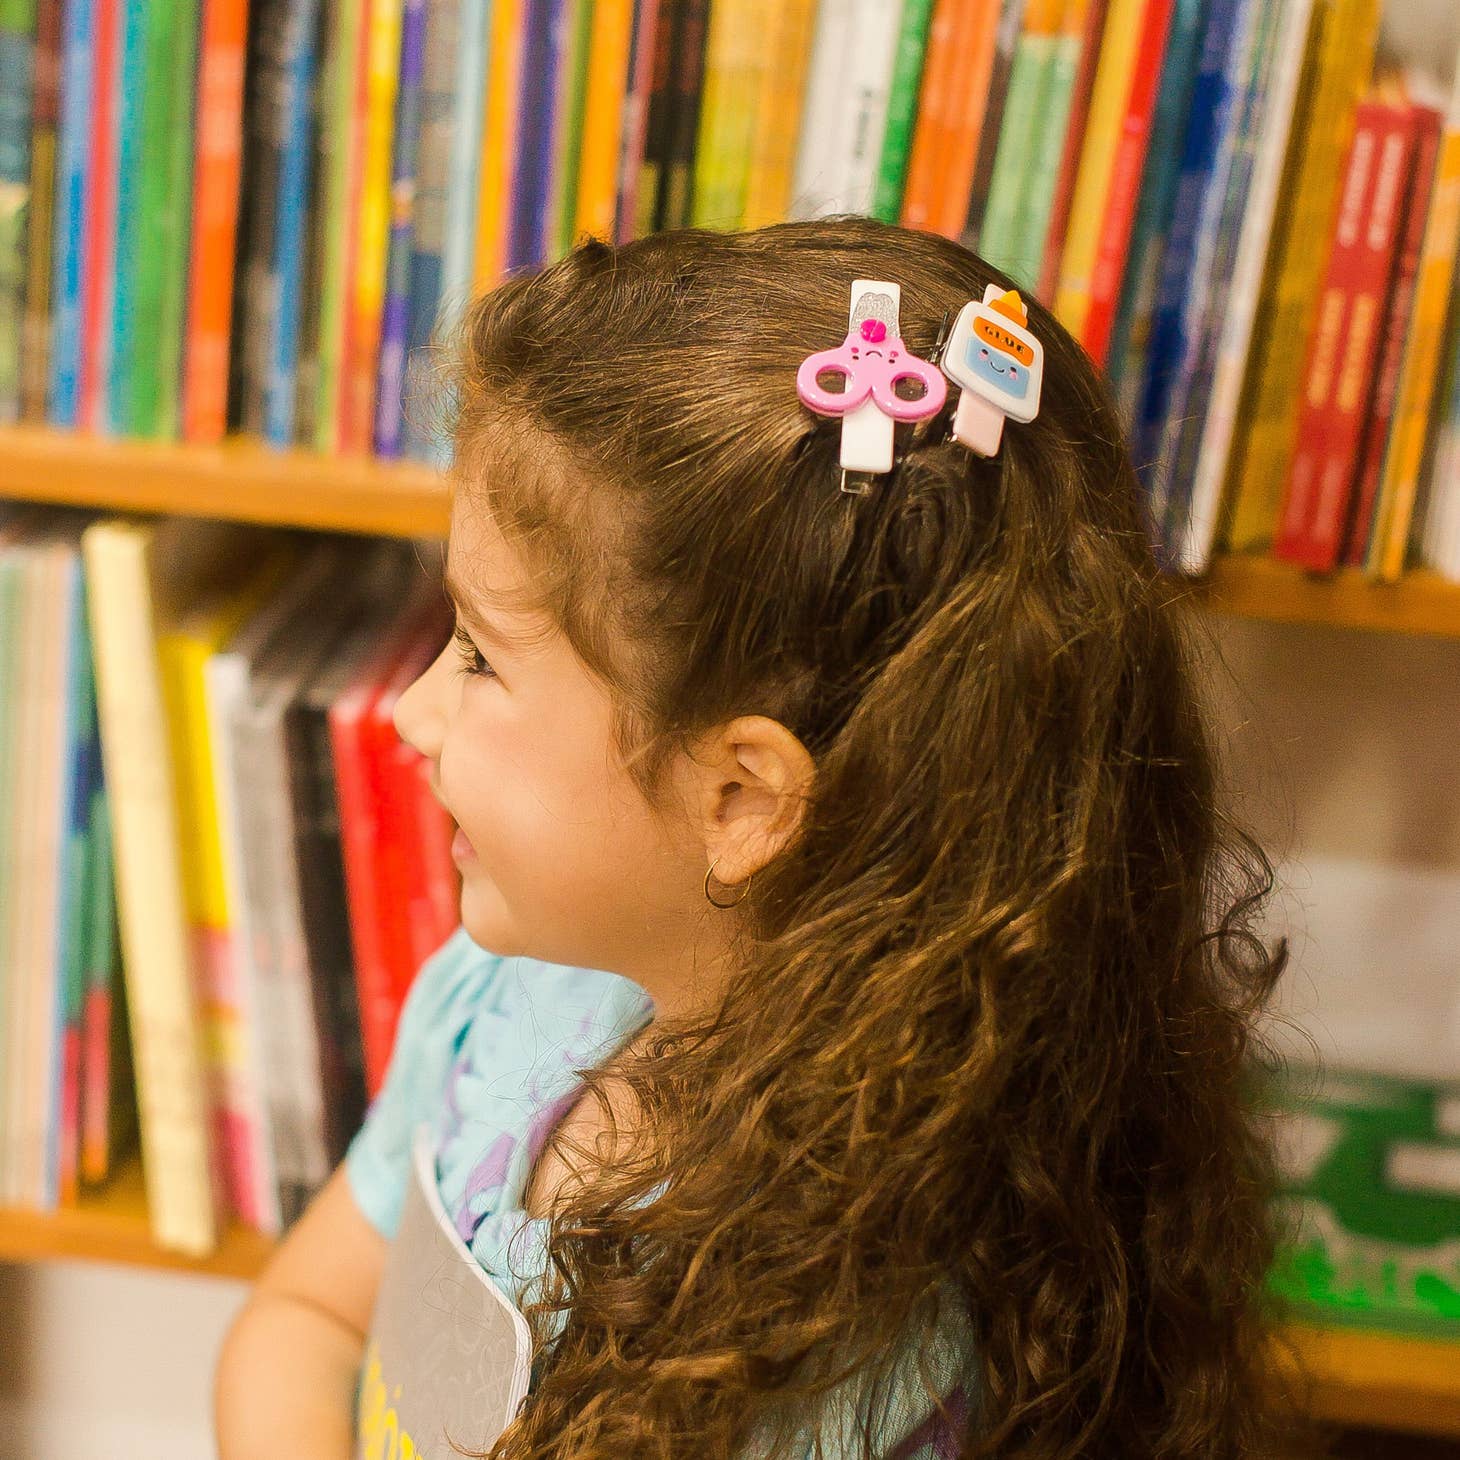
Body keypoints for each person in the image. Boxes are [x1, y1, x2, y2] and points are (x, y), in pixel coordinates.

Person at [214, 216, 1301, 1460]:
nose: (411, 712)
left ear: (742, 796)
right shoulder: (496, 999)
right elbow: (303, 1313)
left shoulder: (851, 1353)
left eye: (475, 656)